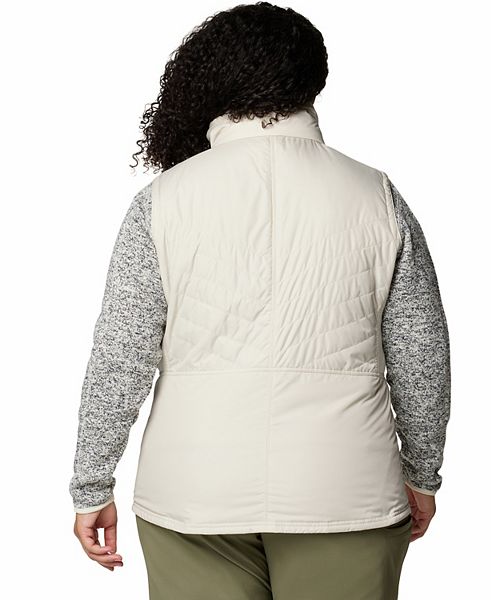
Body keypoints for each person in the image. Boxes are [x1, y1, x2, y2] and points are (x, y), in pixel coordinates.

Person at [69, 3, 451, 599]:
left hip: (194, 492)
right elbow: (421, 352)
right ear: (312, 81)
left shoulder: (163, 200)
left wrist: (92, 484)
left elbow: (121, 355)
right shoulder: (376, 196)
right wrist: (422, 473)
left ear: (211, 79)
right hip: (343, 490)